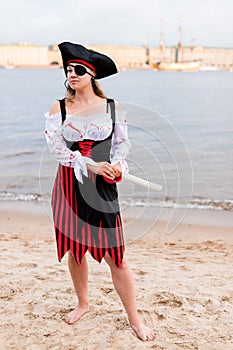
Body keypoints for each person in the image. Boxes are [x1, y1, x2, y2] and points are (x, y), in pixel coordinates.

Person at [44, 41, 155, 342]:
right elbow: (55, 149)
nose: (72, 74)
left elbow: (121, 145)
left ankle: (135, 318)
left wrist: (118, 165)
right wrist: (88, 164)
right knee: (75, 249)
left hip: (102, 191)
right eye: (69, 69)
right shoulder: (59, 108)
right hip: (69, 187)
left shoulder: (111, 108)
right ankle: (83, 303)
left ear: (92, 74)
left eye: (79, 70)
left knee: (116, 255)